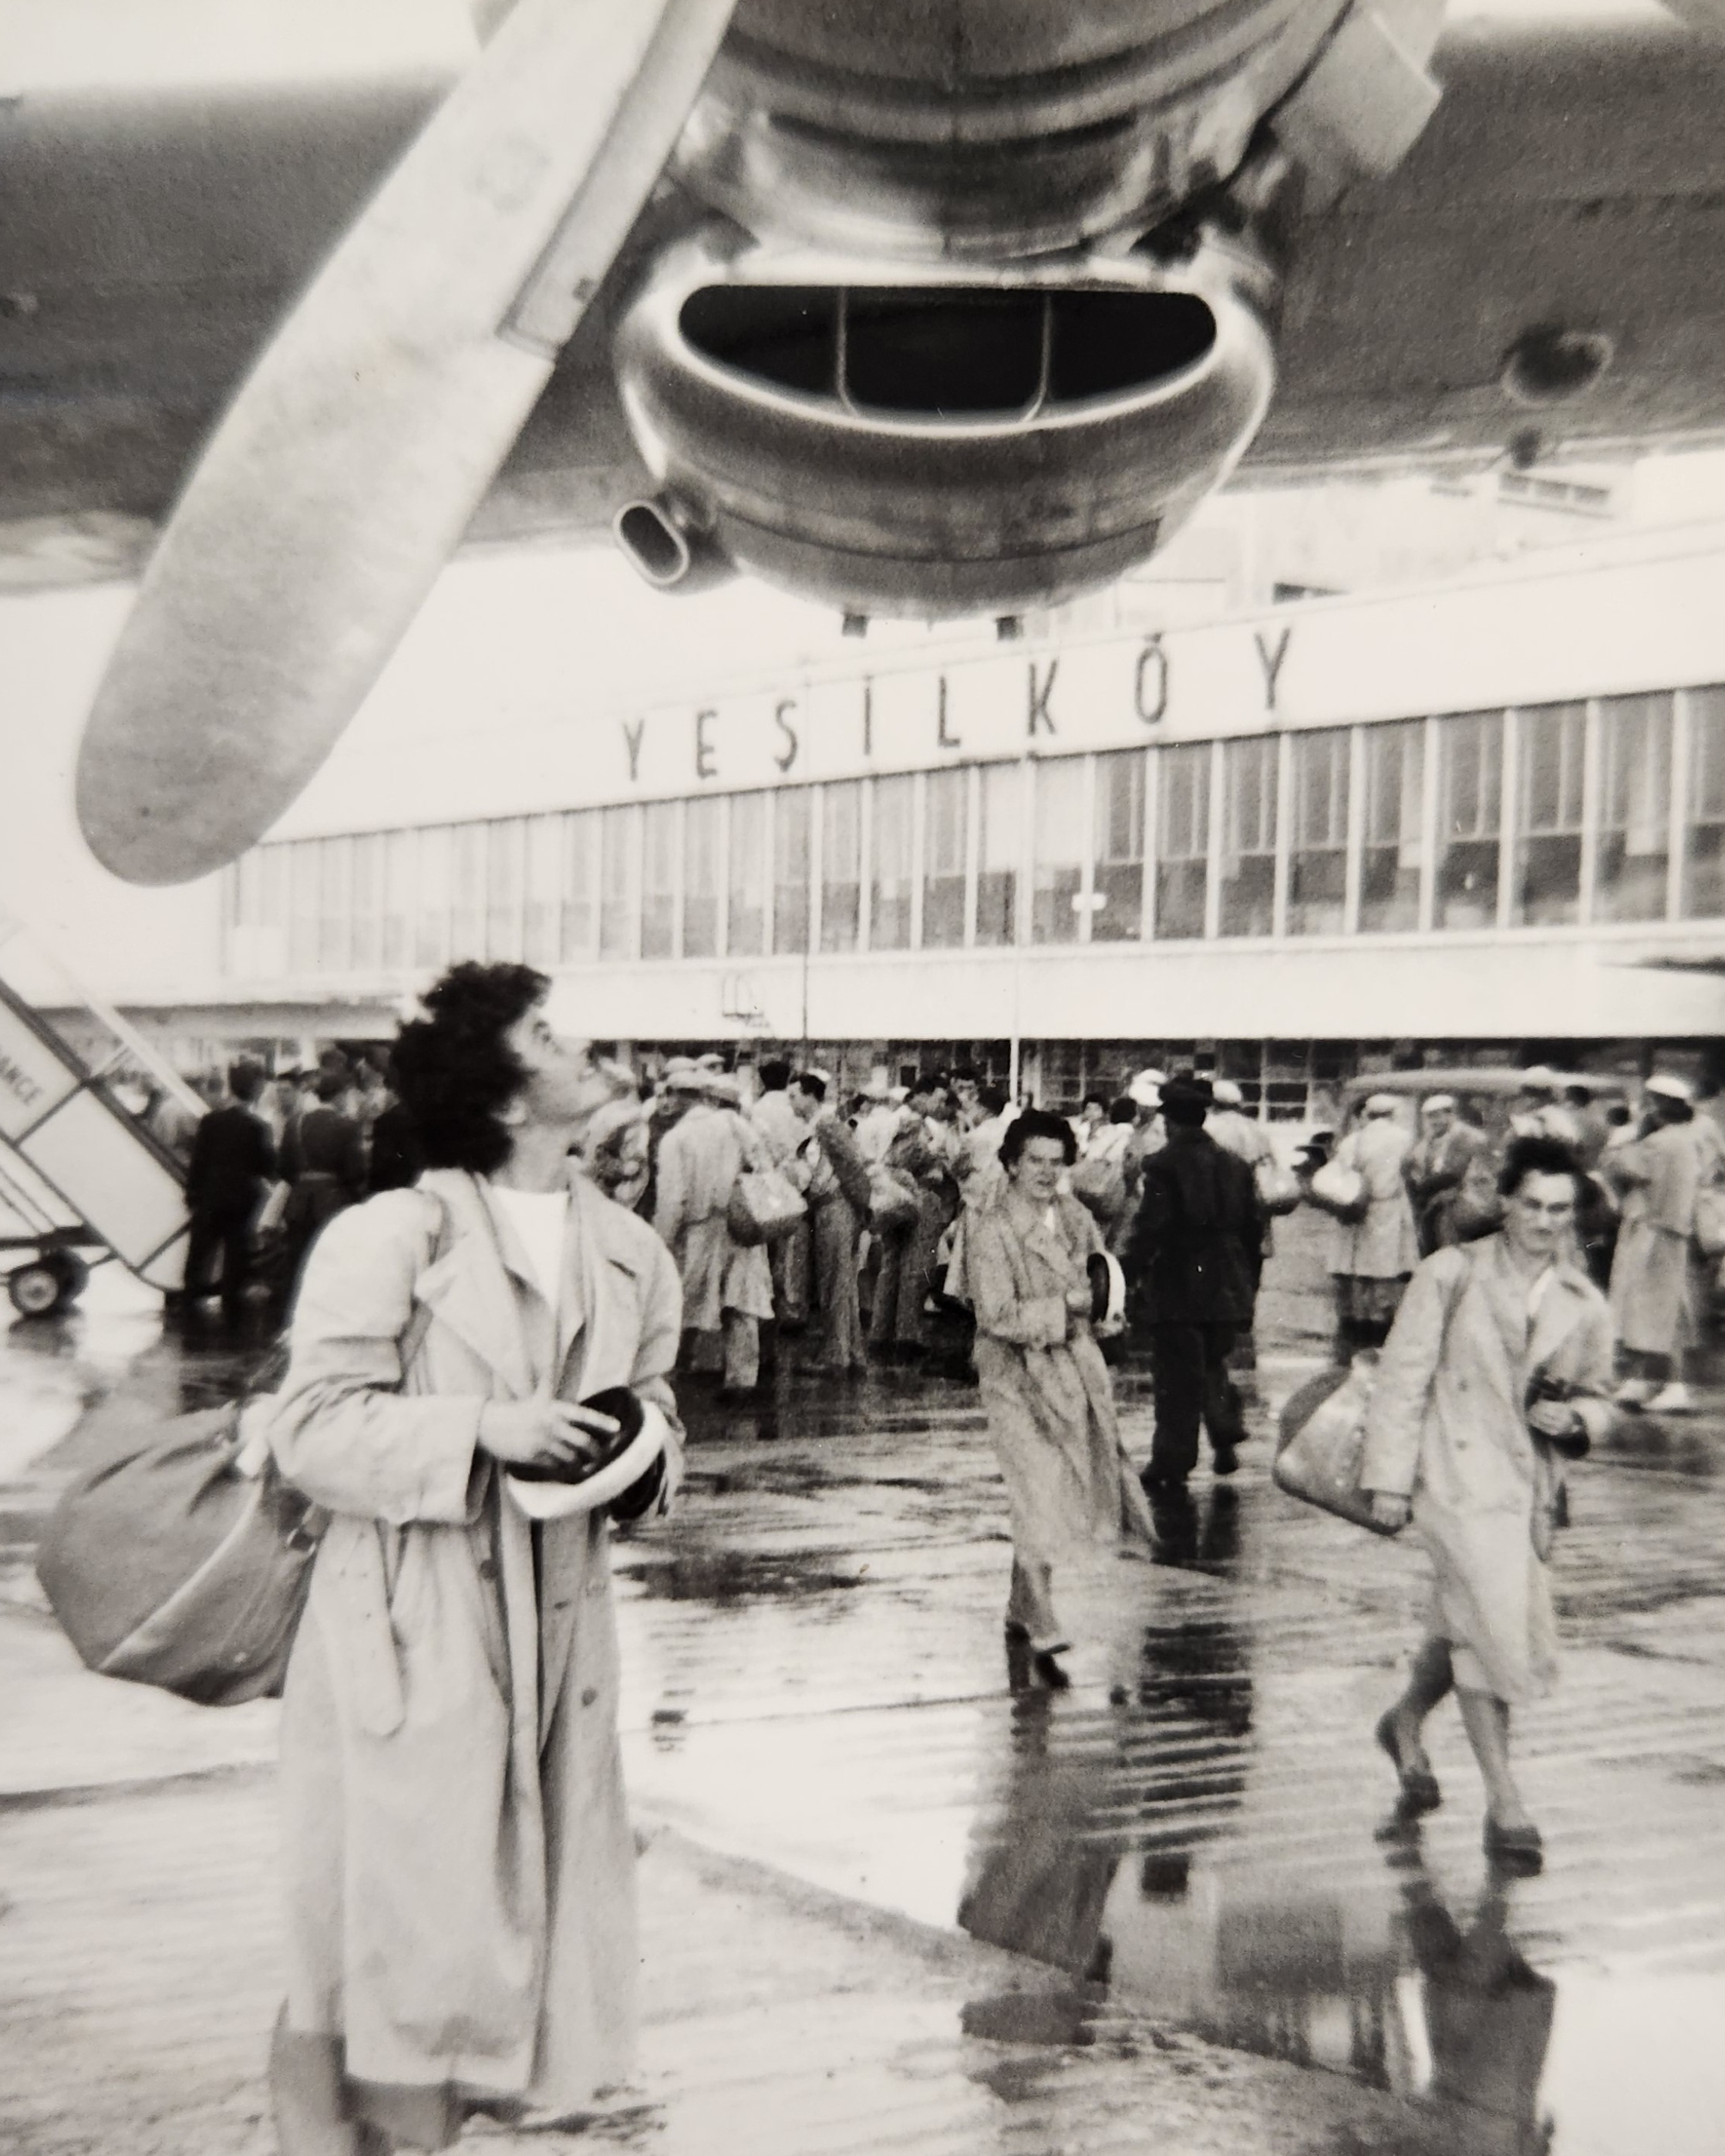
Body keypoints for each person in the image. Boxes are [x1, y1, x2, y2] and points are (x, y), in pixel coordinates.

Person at [265, 960, 683, 2153]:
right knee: (400, 1934)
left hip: (563, 1638)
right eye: (545, 1033)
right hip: (411, 1624)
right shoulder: (390, 1235)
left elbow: (656, 1405)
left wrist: (644, 1459)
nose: (580, 1045)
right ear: (502, 1094)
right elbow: (310, 1429)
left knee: (521, 1934)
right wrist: (480, 1430)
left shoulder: (630, 1250)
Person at [1361, 1136, 1615, 1872]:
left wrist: (1577, 1421)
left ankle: (1404, 1719)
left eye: (1558, 1210)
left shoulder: (1580, 1300)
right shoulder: (1450, 1273)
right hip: (1453, 1474)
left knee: (1467, 1619)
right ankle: (1505, 1800)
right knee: (1488, 1630)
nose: (1543, 1221)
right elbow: (1402, 1379)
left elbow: (1600, 1395)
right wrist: (1387, 1480)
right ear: (1504, 1202)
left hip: (1529, 1488)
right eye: (1531, 1204)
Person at [964, 1107, 1157, 1687]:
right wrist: (1066, 1308)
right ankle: (1043, 1618)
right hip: (1013, 1374)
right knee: (1037, 1488)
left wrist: (1105, 1315)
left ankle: (1019, 1604)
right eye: (1035, 1162)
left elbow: (1099, 1283)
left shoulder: (1076, 1217)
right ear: (1011, 1165)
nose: (1047, 1173)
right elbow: (995, 1314)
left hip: (1074, 1370)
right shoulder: (990, 1226)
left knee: (1052, 1487)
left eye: (1056, 1161)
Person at [1125, 1074, 1262, 1494]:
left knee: (1176, 1375)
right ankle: (1225, 1434)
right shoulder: (1235, 1164)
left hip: (1180, 1280)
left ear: (1168, 1121)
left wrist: (1125, 1272)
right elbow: (1253, 1229)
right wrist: (1248, 1285)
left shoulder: (1164, 1165)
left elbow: (1151, 1226)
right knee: (1212, 1364)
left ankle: (1172, 1461)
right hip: (1228, 1281)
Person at [652, 1069, 776, 1400]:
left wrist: (662, 1243)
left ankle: (672, 1372)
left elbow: (673, 1199)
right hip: (742, 1223)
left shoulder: (676, 1139)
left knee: (684, 1301)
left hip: (699, 1229)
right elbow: (765, 1168)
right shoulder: (735, 1124)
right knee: (742, 1301)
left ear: (677, 1097)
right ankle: (742, 1380)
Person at [1605, 1073, 1723, 1411]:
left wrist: (1630, 1137)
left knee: (1660, 1313)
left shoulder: (1659, 1143)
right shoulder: (1690, 1138)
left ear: (1660, 1107)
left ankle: (1672, 1383)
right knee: (1657, 1312)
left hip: (1654, 1234)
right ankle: (1647, 1379)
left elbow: (1617, 1166)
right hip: (1674, 1233)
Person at [868, 1073, 959, 1362]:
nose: (940, 1105)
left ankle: (881, 1332)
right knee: (916, 1267)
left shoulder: (890, 1119)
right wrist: (937, 1159)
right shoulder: (913, 1123)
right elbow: (906, 1160)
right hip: (918, 1195)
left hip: (891, 1198)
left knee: (891, 1265)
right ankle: (907, 1335)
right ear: (923, 1094)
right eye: (938, 1099)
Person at [789, 1069, 873, 1373]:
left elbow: (851, 1165)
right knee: (841, 1282)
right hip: (834, 1208)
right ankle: (851, 1351)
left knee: (833, 1282)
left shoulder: (825, 1124)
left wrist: (862, 1205)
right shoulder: (823, 1124)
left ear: (811, 1096)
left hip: (835, 1207)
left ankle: (835, 1354)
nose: (791, 1103)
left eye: (794, 1097)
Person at [1325, 1093, 1421, 1353]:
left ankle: (1355, 1327)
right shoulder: (1403, 1139)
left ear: (1368, 1114)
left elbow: (1338, 1174)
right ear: (1392, 1114)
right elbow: (1413, 1172)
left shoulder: (1352, 1141)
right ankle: (1380, 1328)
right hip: (1387, 1207)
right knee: (1384, 1271)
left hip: (1356, 1207)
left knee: (1356, 1270)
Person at [180, 1059, 276, 1313]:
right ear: (255, 1090)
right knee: (235, 1258)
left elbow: (198, 1162)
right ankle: (230, 1307)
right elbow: (267, 1167)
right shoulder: (258, 1127)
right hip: (241, 1202)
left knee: (199, 1254)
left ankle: (188, 1302)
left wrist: (192, 1196)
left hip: (210, 1198)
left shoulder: (210, 1121)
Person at [279, 1066, 369, 1309]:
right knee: (330, 1262)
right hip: (333, 1202)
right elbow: (355, 1171)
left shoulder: (295, 1123)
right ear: (340, 1095)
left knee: (298, 1262)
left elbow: (284, 1168)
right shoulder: (347, 1126)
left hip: (299, 1203)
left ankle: (292, 1312)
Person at [750, 1056, 810, 1331]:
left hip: (763, 1185)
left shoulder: (754, 1110)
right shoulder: (794, 1109)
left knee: (764, 1250)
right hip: (792, 1184)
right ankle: (791, 1308)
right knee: (793, 1250)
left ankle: (764, 1305)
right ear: (787, 1080)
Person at [1404, 1094, 1491, 1255]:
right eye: (1430, 1117)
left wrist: (1424, 1189)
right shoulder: (1433, 1137)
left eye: (1438, 1116)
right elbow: (1416, 1161)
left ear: (1451, 1114)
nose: (1434, 1122)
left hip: (1465, 1201)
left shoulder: (1468, 1136)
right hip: (1440, 1201)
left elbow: (1454, 1173)